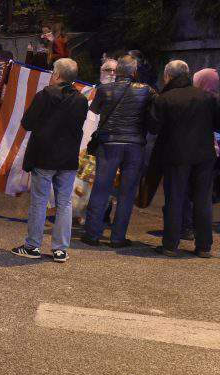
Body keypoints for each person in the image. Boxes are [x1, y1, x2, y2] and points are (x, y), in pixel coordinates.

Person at [11, 58, 88, 262]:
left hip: (44, 156)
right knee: (64, 203)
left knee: (39, 201)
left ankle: (32, 246)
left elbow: (27, 123)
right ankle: (60, 249)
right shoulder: (81, 100)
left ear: (57, 74)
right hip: (68, 158)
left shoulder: (45, 95)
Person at [80, 55, 155, 248]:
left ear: (117, 71)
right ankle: (118, 238)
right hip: (135, 146)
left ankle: (92, 234)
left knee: (101, 189)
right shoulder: (146, 91)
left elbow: (95, 111)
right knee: (127, 193)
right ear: (134, 71)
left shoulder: (104, 89)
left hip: (109, 144)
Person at [148, 60, 220, 257]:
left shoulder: (165, 98)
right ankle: (204, 246)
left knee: (175, 198)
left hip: (176, 155)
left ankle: (170, 245)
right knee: (203, 200)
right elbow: (217, 124)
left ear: (167, 76)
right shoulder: (207, 97)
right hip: (204, 155)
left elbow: (153, 127)